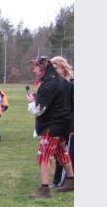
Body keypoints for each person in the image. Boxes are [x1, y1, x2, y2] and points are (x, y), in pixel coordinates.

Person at [27, 56, 74, 198]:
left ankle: (45, 189)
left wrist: (31, 102)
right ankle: (71, 181)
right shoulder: (61, 81)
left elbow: (38, 109)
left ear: (43, 68)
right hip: (63, 124)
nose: (34, 70)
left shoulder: (49, 83)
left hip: (52, 125)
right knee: (61, 152)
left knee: (44, 155)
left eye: (36, 67)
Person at [51, 56, 74, 187]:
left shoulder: (71, 84)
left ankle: (65, 181)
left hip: (68, 124)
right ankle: (58, 180)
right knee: (58, 152)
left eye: (56, 68)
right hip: (58, 123)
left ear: (63, 68)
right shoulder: (57, 84)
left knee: (66, 154)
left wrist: (72, 127)